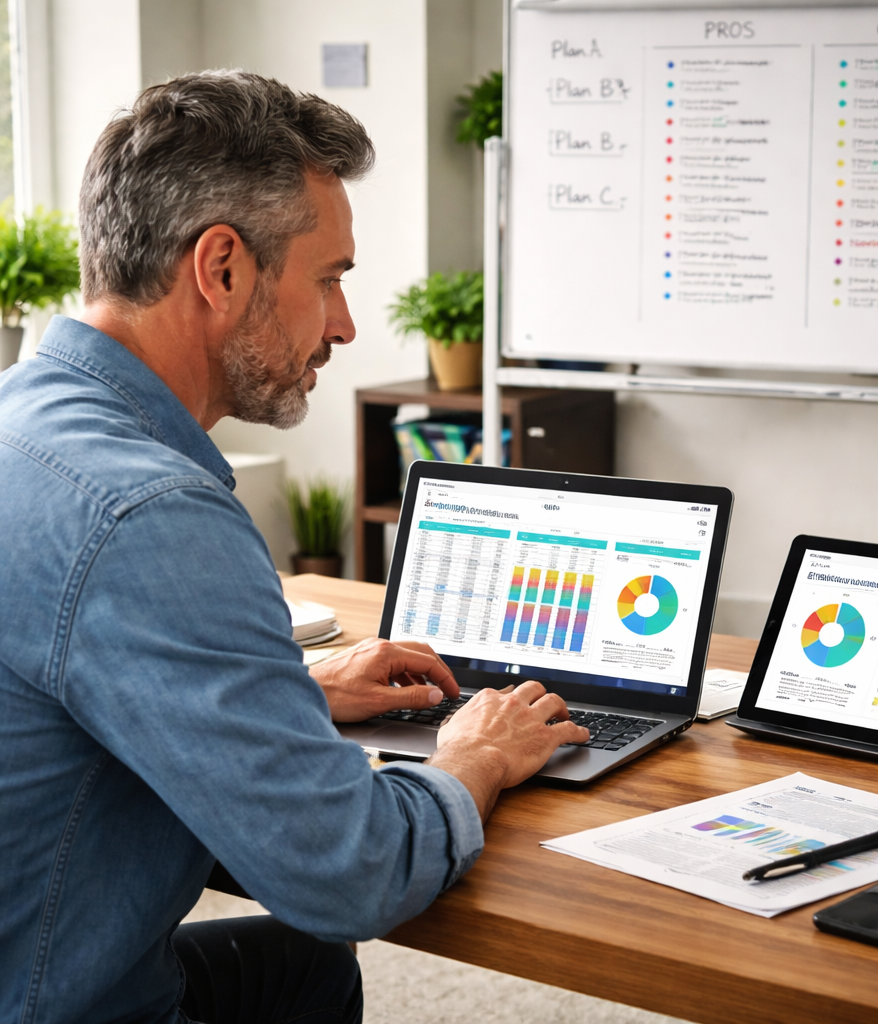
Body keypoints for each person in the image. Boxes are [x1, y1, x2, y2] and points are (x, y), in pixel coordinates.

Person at [0, 71, 588, 1024]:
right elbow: (350, 875)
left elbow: (61, 681)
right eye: (331, 279)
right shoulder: (149, 514)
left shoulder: (23, 419)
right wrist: (472, 757)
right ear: (222, 267)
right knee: (322, 932)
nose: (347, 325)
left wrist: (292, 695)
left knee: (304, 969)